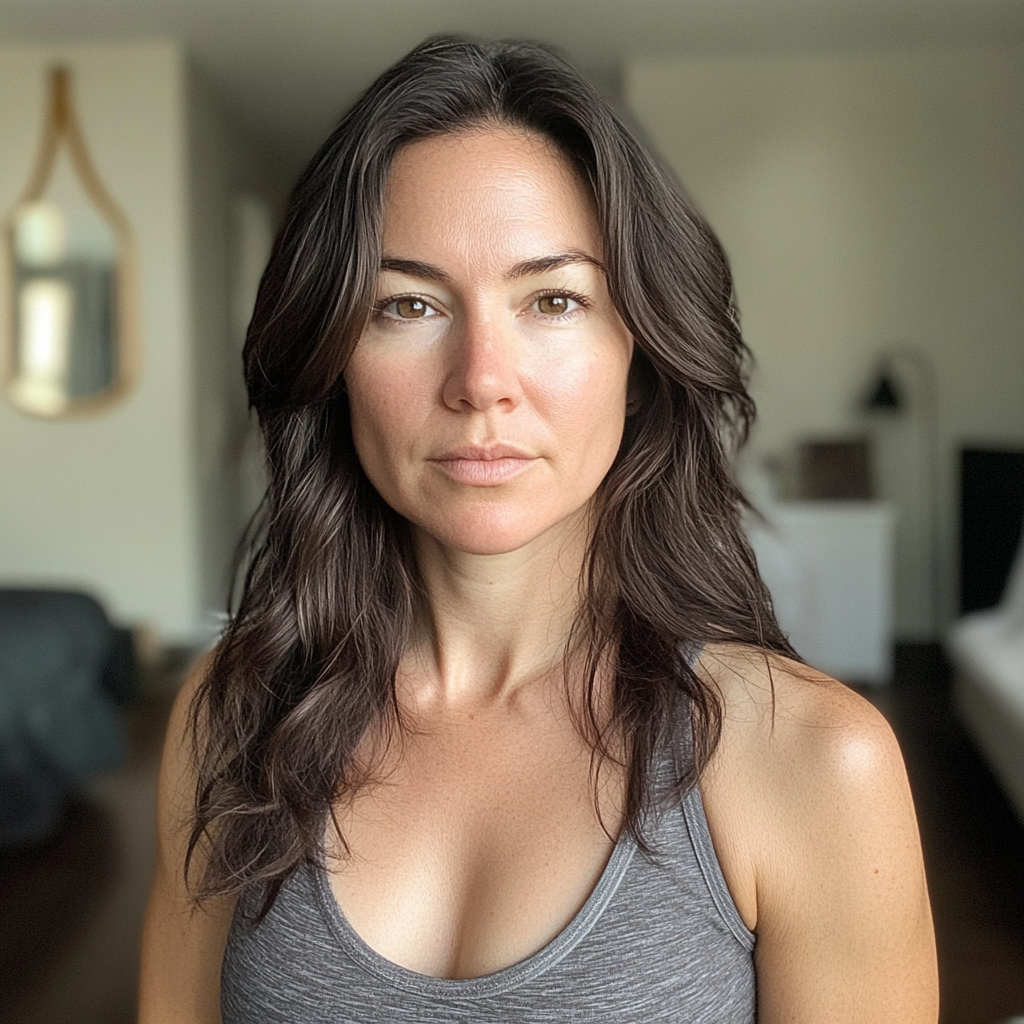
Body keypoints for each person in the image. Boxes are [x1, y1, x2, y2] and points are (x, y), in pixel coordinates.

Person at [139, 36, 938, 1023]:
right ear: (332, 358)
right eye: (408, 304)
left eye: (552, 299)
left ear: (636, 352)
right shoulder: (229, 718)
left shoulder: (814, 760)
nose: (480, 378)